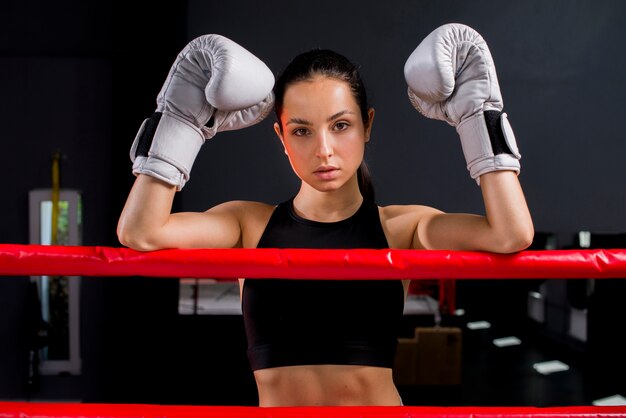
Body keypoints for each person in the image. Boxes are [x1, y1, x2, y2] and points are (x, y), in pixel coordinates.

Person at [118, 24, 534, 406]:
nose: (324, 150)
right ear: (281, 136)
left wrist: (478, 120)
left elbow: (510, 234)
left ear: (366, 125)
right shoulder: (248, 224)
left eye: (340, 125)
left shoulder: (401, 228)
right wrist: (180, 123)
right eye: (301, 130)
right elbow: (141, 231)